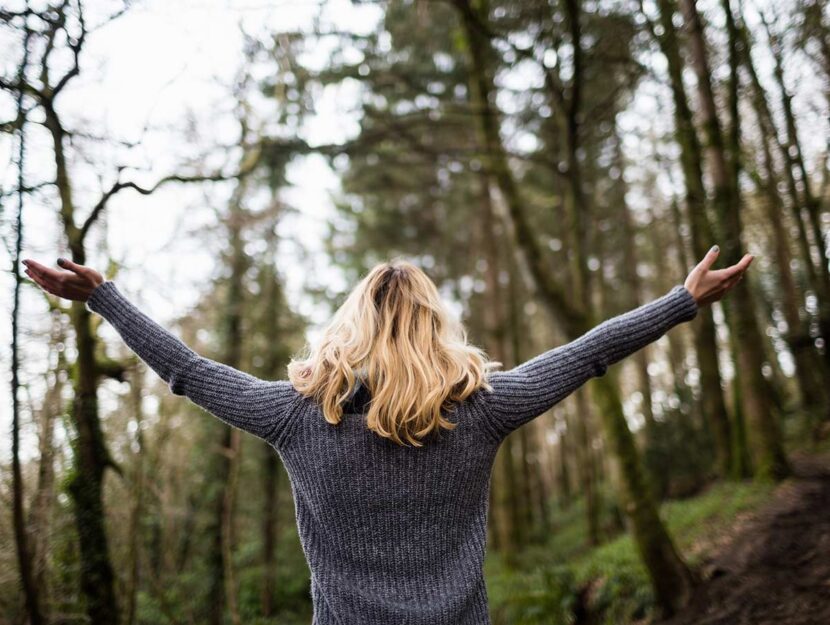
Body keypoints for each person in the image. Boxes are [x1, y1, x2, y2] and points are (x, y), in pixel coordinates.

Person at [22, 244, 751, 625]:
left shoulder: (297, 415)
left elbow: (185, 369)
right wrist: (682, 301)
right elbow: (587, 353)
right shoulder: (484, 407)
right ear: (436, 324)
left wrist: (104, 298)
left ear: (351, 325)